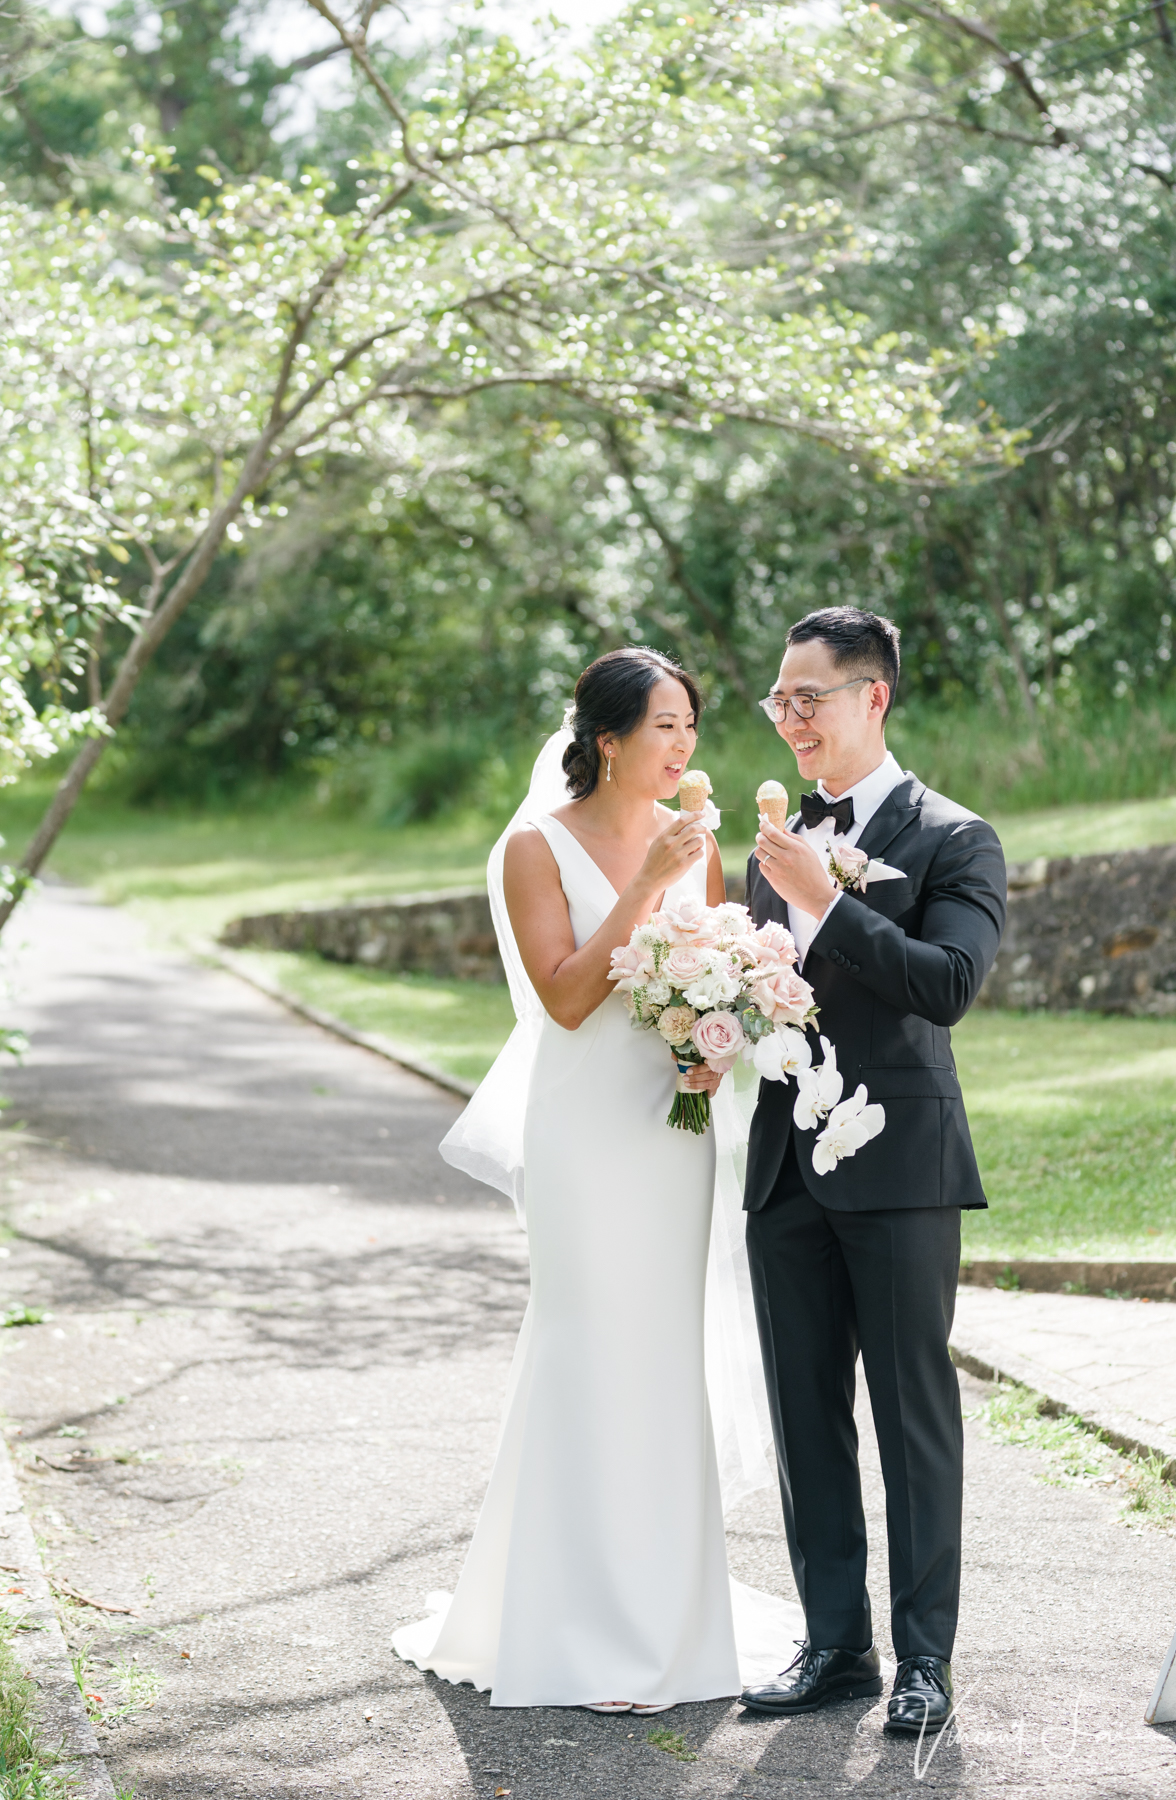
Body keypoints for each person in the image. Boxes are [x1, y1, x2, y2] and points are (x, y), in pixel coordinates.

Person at [391, 646, 800, 1710]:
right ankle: (569, 1610)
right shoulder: (535, 846)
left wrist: (713, 1043)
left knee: (665, 1353)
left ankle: (666, 1612)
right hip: (582, 1131)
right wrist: (654, 880)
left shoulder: (695, 843)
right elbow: (569, 997)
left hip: (674, 1129)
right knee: (588, 1343)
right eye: (663, 726)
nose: (682, 746)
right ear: (607, 739)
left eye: (690, 727)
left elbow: (700, 975)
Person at [738, 606, 1007, 1736]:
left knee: (911, 1418)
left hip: (900, 1171)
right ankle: (836, 1645)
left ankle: (925, 1664)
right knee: (806, 1417)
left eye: (810, 698)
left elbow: (946, 983)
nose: (791, 720)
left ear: (872, 697)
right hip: (784, 1172)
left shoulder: (957, 837)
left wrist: (826, 900)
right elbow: (766, 988)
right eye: (780, 701)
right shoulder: (777, 837)